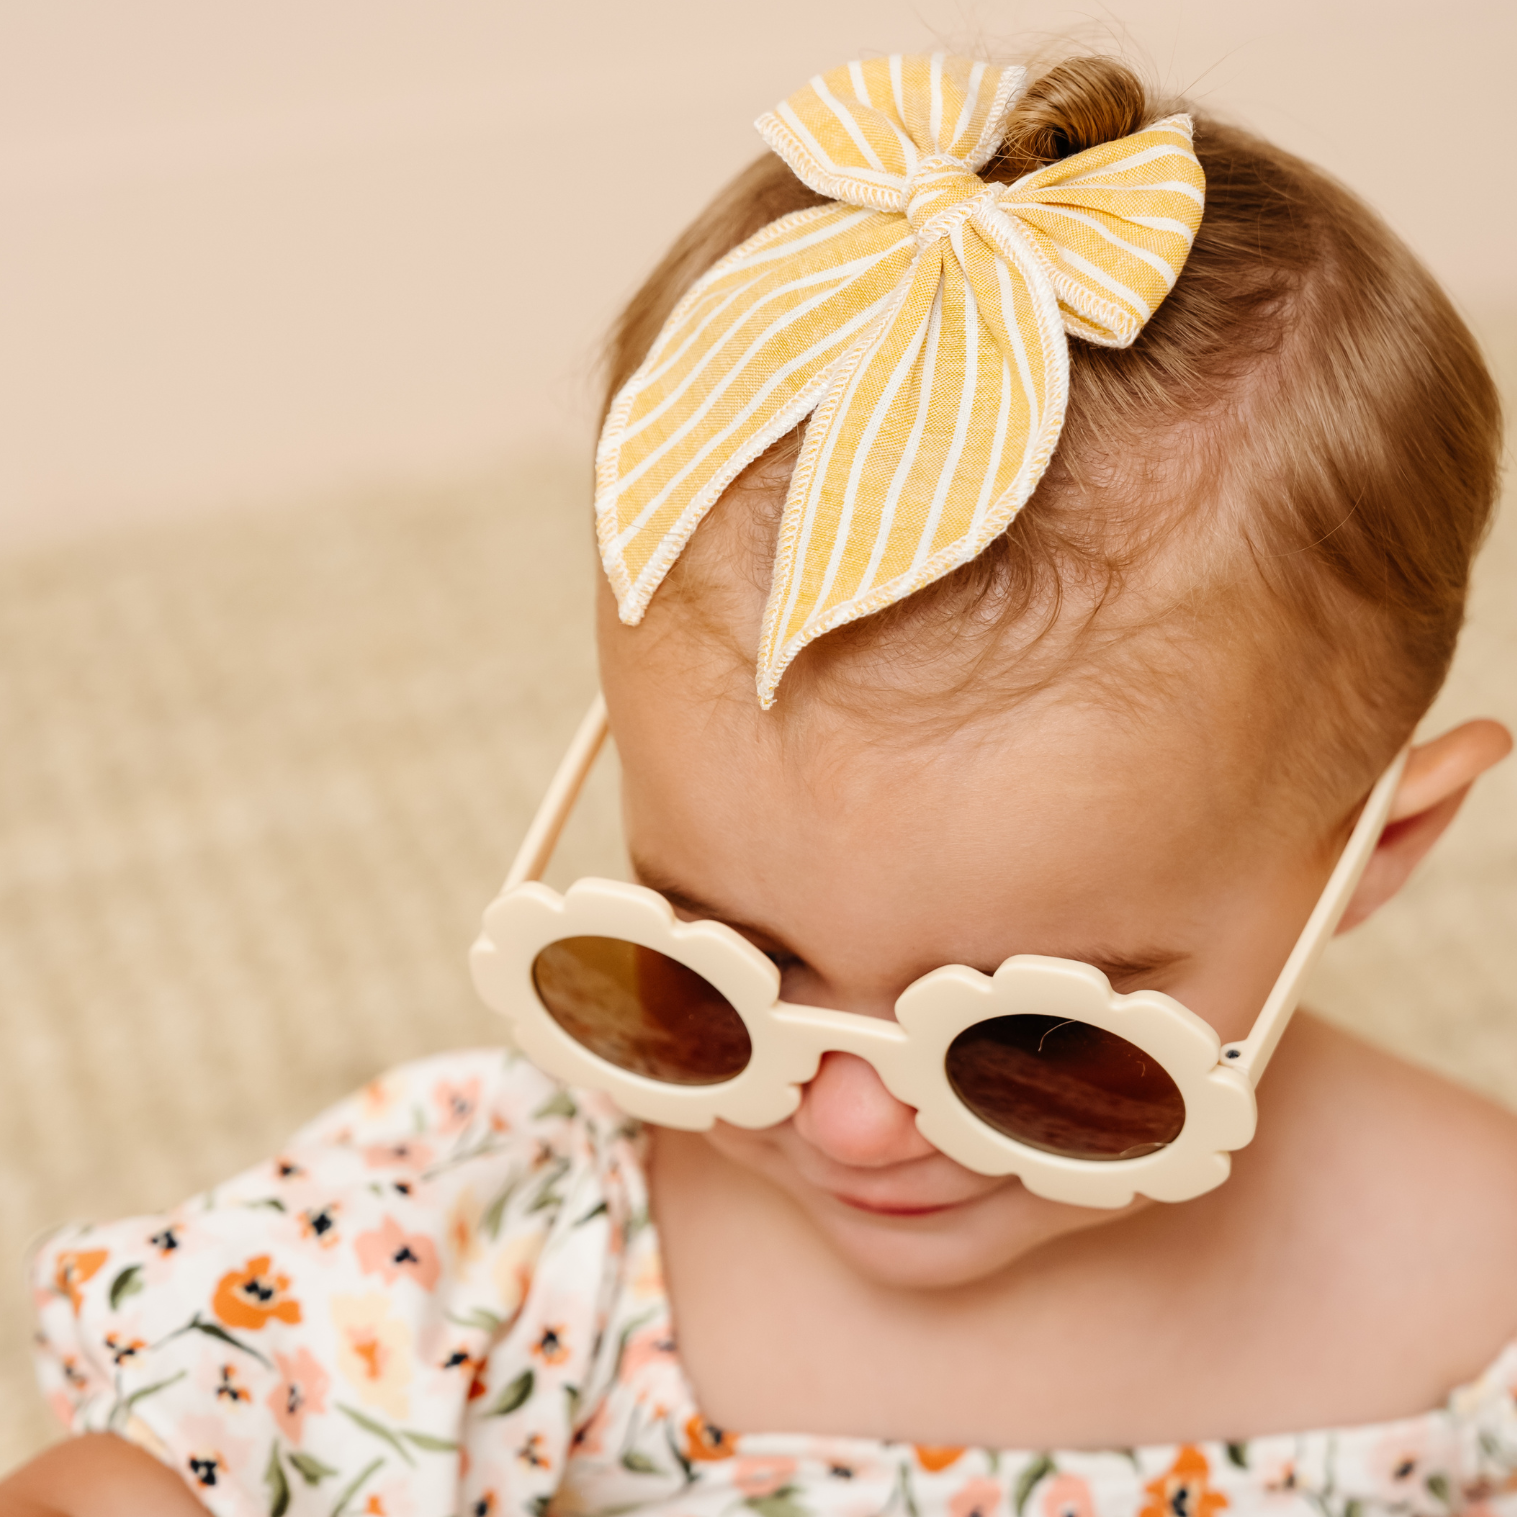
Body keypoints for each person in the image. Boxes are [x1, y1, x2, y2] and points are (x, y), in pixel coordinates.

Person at [3, 49, 1513, 1517]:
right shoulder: (501, 1235)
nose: (847, 1123)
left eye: (1033, 1034)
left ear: (1379, 845)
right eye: (714, 969)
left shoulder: (1481, 1307)